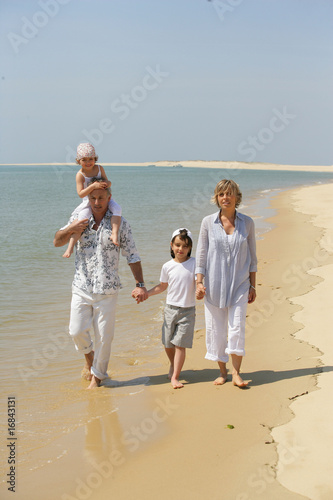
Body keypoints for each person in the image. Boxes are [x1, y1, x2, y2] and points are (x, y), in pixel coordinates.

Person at [54, 178, 148, 389]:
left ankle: (97, 377)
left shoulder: (120, 223)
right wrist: (71, 228)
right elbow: (56, 241)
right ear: (88, 198)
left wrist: (140, 283)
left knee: (105, 337)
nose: (97, 202)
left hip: (107, 289)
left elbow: (132, 255)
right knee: (76, 331)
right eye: (93, 198)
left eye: (101, 198)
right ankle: (90, 360)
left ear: (109, 198)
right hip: (81, 286)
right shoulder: (79, 218)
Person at [195, 179, 257, 388]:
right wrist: (199, 283)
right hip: (213, 286)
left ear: (237, 197)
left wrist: (253, 285)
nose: (225, 197)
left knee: (237, 328)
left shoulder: (247, 223)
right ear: (217, 198)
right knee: (216, 330)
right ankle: (223, 372)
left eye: (229, 194)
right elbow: (201, 256)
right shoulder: (207, 223)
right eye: (221, 194)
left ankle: (237, 373)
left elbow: (253, 257)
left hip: (240, 284)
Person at [135, 228, 196, 389]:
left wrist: (202, 291)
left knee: (180, 344)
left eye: (185, 246)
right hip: (170, 309)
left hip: (188, 311)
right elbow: (162, 287)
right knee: (167, 343)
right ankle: (172, 364)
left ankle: (175, 376)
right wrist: (146, 294)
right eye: (177, 245)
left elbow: (200, 283)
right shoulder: (167, 266)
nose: (180, 249)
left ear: (190, 248)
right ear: (171, 245)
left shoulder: (195, 264)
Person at [62, 143, 122, 258]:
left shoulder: (99, 168)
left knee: (117, 209)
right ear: (78, 161)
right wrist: (92, 187)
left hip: (104, 197)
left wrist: (106, 184)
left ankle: (114, 234)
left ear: (95, 158)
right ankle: (69, 248)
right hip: (88, 201)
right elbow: (80, 193)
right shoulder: (80, 175)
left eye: (91, 159)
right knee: (81, 220)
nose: (88, 162)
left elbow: (108, 182)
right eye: (84, 160)